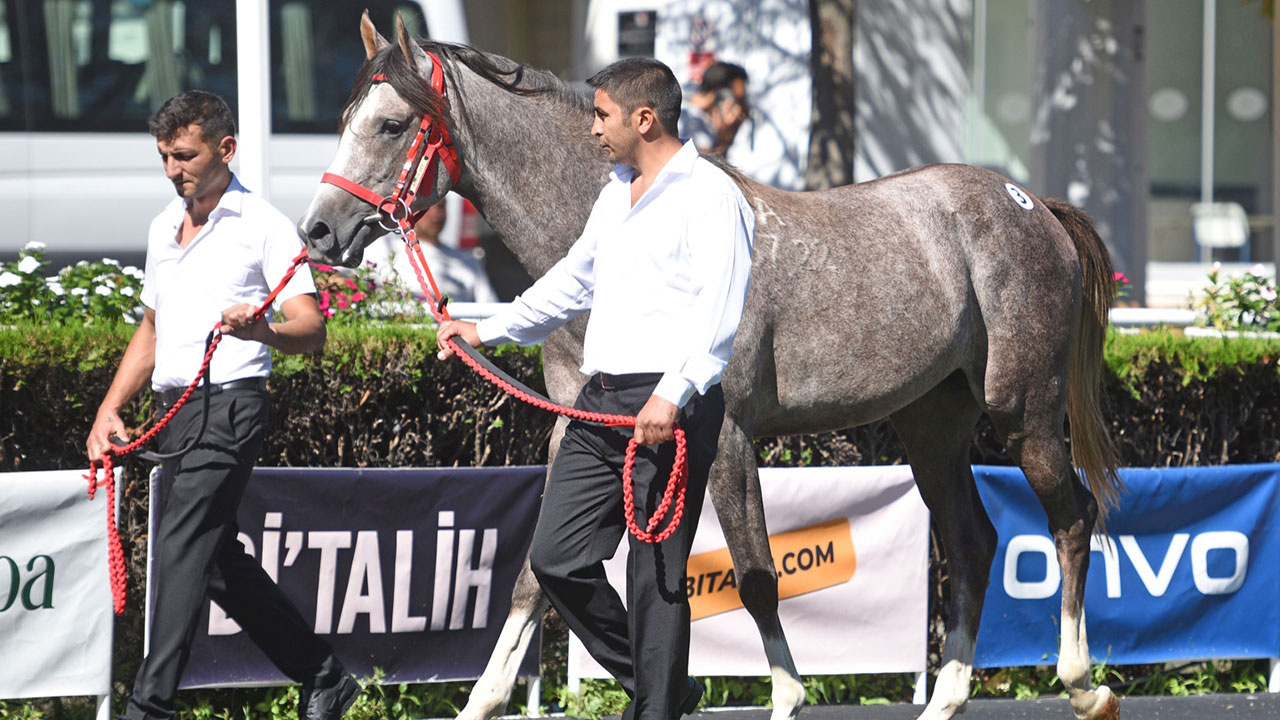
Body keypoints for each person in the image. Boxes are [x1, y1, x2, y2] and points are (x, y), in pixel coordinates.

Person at [437, 58, 754, 720]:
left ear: (644, 119)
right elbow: (571, 284)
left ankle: (657, 706)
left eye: (602, 114)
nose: (592, 128)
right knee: (557, 560)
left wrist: (674, 394)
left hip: (671, 406)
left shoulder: (710, 196)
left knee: (654, 580)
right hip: (600, 401)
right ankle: (662, 686)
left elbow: (720, 315)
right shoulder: (616, 191)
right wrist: (486, 327)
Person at [84, 90, 359, 720]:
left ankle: (148, 707)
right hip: (173, 411)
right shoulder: (162, 226)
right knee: (212, 563)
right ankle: (324, 676)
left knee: (181, 542)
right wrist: (108, 408)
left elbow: (311, 330)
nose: (173, 168)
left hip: (232, 406)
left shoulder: (263, 226)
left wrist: (261, 329)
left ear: (225, 150)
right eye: (164, 156)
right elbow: (149, 333)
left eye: (185, 155)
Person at [362, 197, 499, 304]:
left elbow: (488, 307)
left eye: (441, 207)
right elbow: (342, 275)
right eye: (426, 209)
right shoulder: (382, 247)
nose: (436, 215)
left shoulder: (467, 261)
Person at [678, 61, 749, 155]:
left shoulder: (707, 119)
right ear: (721, 94)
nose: (739, 110)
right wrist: (724, 140)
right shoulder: (686, 118)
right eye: (737, 100)